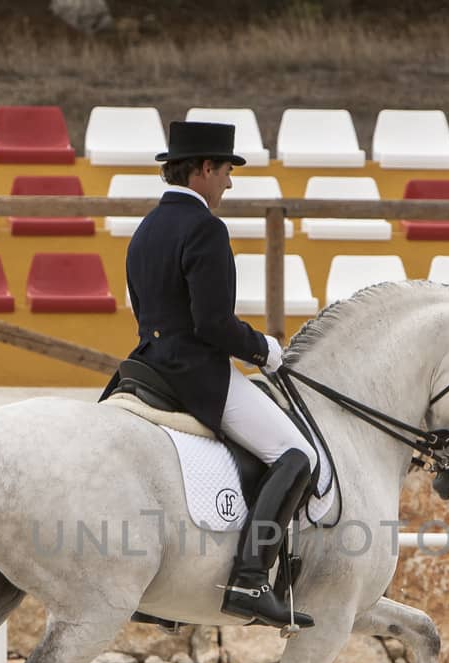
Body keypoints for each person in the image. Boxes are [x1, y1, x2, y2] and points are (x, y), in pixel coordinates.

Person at [100, 120, 316, 629]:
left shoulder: (147, 226)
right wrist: (263, 349)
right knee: (297, 454)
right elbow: (211, 323)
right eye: (225, 171)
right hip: (195, 374)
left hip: (147, 366)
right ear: (203, 169)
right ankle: (249, 577)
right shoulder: (204, 228)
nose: (228, 184)